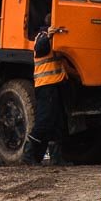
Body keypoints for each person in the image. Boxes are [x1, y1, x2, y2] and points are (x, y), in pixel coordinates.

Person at [23, 15, 67, 164]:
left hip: (54, 85)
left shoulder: (55, 38)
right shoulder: (42, 36)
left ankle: (56, 158)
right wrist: (49, 35)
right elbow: (40, 48)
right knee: (43, 121)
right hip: (46, 86)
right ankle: (28, 156)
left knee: (57, 123)